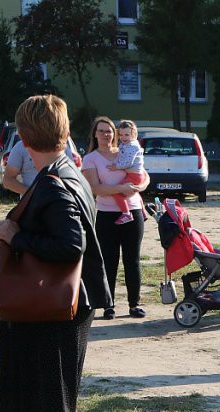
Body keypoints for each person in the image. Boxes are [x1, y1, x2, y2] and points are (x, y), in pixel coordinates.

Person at [0, 94, 113, 412]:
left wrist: (14, 236)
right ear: (64, 132)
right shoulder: (70, 170)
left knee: (54, 402)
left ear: (24, 138)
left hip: (59, 305)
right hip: (71, 301)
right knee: (61, 395)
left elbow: (70, 244)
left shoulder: (54, 182)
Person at [81, 116, 151, 320]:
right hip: (106, 215)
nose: (106, 134)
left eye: (109, 130)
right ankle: (108, 305)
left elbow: (143, 174)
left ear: (116, 133)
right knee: (109, 261)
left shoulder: (127, 149)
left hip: (133, 211)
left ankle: (134, 304)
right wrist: (121, 189)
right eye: (101, 131)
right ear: (95, 134)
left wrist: (139, 186)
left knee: (133, 260)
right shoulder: (90, 159)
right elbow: (95, 188)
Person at [1, 139, 80, 197]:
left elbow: (72, 177)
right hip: (31, 207)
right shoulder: (21, 146)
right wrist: (33, 194)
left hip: (58, 203)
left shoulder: (62, 146)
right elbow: (7, 181)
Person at [107, 120, 146, 226]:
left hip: (135, 176)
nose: (123, 137)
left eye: (127, 135)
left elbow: (128, 162)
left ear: (134, 135)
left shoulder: (133, 146)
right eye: (121, 134)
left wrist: (116, 167)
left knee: (117, 192)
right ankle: (143, 212)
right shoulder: (126, 144)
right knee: (133, 192)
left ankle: (126, 213)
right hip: (134, 174)